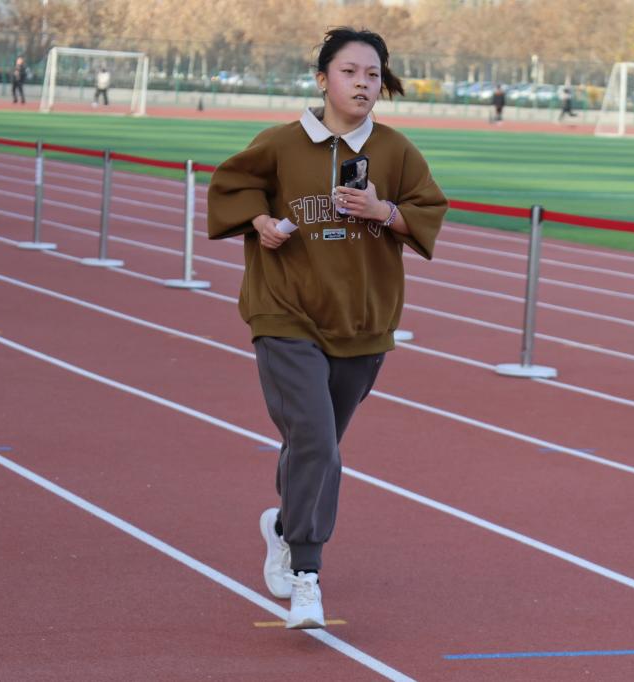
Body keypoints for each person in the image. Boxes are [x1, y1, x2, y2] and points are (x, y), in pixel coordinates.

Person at [207, 27, 447, 630]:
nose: (362, 84)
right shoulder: (281, 143)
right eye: (349, 72)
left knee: (315, 446)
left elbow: (428, 209)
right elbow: (234, 185)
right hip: (284, 312)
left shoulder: (396, 151)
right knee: (315, 440)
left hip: (363, 322)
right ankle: (307, 575)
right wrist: (260, 221)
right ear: (322, 79)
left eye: (373, 74)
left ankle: (284, 526)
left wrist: (384, 211)